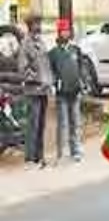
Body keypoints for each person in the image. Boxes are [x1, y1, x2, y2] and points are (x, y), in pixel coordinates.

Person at [47, 19, 84, 164]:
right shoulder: (53, 53)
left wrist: (81, 83)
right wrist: (54, 83)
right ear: (59, 33)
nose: (65, 33)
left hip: (75, 91)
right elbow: (50, 71)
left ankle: (76, 150)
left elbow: (80, 68)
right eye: (63, 31)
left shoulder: (76, 50)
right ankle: (61, 152)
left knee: (76, 122)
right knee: (63, 123)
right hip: (62, 93)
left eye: (67, 30)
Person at [17, 14, 51, 168]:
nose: (40, 26)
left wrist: (48, 81)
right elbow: (23, 68)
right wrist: (36, 78)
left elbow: (46, 65)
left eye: (40, 23)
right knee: (33, 125)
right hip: (33, 90)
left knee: (41, 125)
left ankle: (39, 156)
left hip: (43, 90)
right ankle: (30, 158)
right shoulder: (26, 44)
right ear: (30, 25)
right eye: (37, 23)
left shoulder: (41, 42)